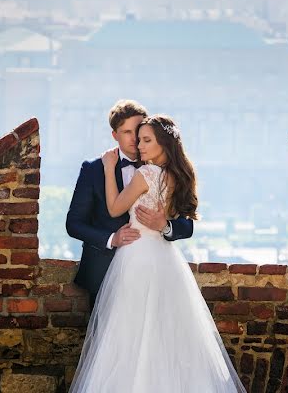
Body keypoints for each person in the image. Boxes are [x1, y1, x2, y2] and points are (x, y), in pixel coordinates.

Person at [69, 114, 246, 392]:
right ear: (115, 134)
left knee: (129, 332)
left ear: (162, 141)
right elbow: (74, 222)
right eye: (135, 137)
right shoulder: (178, 175)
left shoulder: (146, 172)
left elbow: (117, 209)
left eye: (144, 139)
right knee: (166, 334)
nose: (138, 144)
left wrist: (109, 170)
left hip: (137, 258)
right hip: (165, 261)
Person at [65, 100, 194, 307]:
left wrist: (164, 225)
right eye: (126, 132)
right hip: (102, 270)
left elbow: (187, 224)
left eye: (139, 131)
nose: (135, 139)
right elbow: (74, 224)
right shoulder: (94, 169)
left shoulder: (166, 171)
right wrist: (111, 239)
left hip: (153, 268)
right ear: (114, 135)